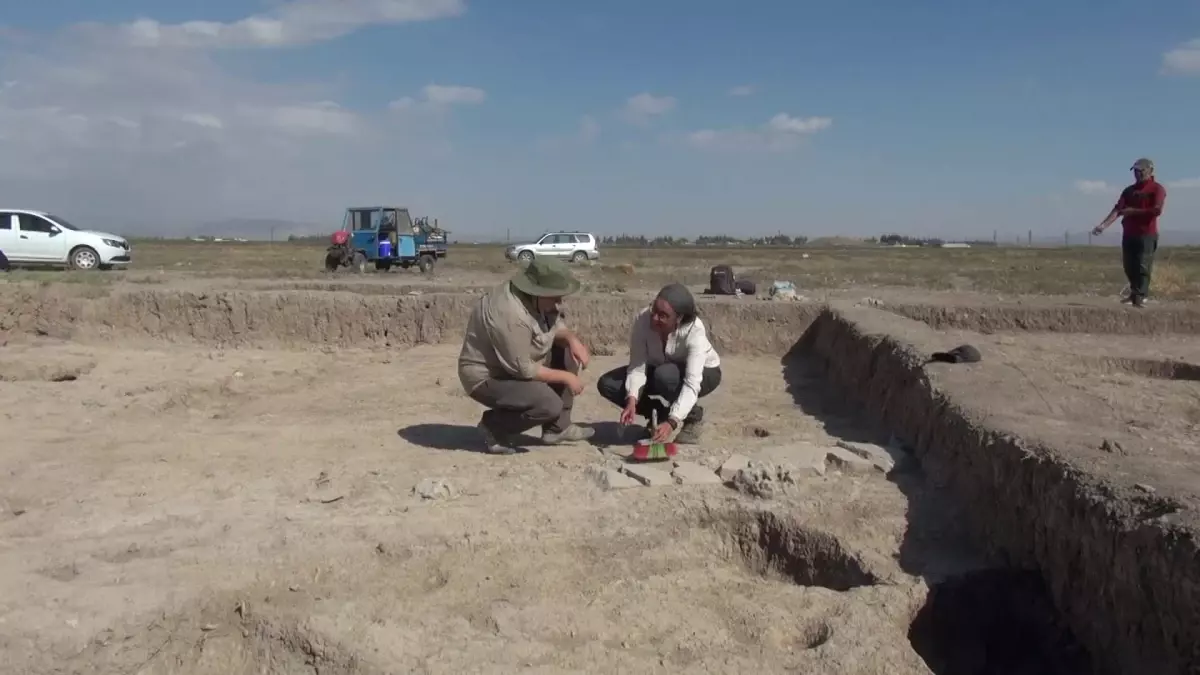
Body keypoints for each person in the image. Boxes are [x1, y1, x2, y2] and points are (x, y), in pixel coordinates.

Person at [458, 256, 595, 454]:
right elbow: (523, 369)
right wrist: (567, 377)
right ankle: (494, 427)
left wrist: (572, 340)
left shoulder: (537, 301)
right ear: (538, 292)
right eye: (555, 296)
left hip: (513, 365)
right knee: (548, 404)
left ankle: (557, 428)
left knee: (566, 350)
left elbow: (555, 327)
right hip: (487, 377)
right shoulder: (509, 313)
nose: (559, 302)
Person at [597, 283, 722, 444]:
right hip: (660, 370)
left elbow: (692, 383)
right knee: (608, 384)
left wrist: (672, 422)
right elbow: (637, 366)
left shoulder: (694, 330)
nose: (655, 318)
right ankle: (658, 414)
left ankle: (692, 418)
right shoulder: (643, 320)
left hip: (704, 373)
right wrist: (632, 400)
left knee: (665, 375)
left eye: (663, 315)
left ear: (679, 318)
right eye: (654, 311)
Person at [1091, 158, 1167, 308]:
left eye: (1141, 171)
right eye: (1136, 171)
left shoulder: (1157, 189)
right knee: (1129, 266)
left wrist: (1133, 211)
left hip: (1146, 234)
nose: (1138, 174)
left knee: (1142, 265)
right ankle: (1134, 294)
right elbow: (1118, 209)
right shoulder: (1129, 191)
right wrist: (1103, 225)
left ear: (1150, 171)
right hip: (1129, 233)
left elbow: (1156, 210)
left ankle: (1141, 296)